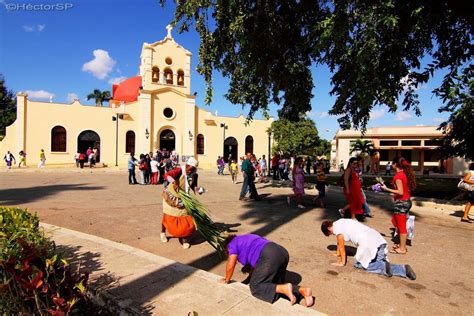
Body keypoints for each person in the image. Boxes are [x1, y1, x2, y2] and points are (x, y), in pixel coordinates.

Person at [220, 234, 314, 307]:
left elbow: (230, 265)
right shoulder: (248, 238)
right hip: (282, 252)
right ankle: (303, 291)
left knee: (256, 287)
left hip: (269, 255)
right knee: (272, 285)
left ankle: (286, 288)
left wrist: (226, 280)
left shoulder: (232, 244)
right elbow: (258, 268)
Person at [321, 219, 416, 280]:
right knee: (378, 261)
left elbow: (341, 246)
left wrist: (341, 262)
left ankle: (383, 267)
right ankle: (404, 269)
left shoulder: (337, 230)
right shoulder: (340, 221)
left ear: (329, 229)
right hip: (377, 238)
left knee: (360, 264)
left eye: (330, 233)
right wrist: (337, 253)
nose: (332, 234)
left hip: (367, 241)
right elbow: (339, 243)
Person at [161, 157, 199, 249]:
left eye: (193, 169)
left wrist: (199, 189)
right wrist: (173, 182)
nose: (191, 171)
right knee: (168, 216)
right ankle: (162, 232)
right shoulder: (179, 170)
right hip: (171, 197)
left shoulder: (194, 175)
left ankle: (184, 238)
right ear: (186, 165)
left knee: (186, 218)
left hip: (183, 198)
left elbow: (194, 186)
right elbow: (167, 175)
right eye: (190, 169)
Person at [381, 157, 416, 254]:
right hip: (406, 201)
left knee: (401, 226)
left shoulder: (398, 176)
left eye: (393, 163)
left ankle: (402, 248)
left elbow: (400, 192)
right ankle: (401, 245)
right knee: (397, 222)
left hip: (401, 203)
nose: (392, 165)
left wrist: (387, 189)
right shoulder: (404, 174)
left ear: (395, 164)